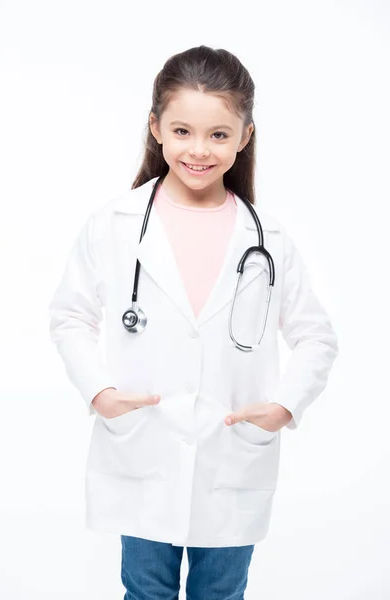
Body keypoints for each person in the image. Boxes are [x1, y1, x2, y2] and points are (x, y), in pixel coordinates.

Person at [48, 45, 339, 599]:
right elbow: (70, 315)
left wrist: (283, 408)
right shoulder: (114, 223)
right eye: (182, 131)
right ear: (156, 128)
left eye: (219, 135)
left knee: (221, 595)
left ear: (245, 136)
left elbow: (316, 336)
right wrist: (100, 394)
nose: (199, 150)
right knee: (147, 592)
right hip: (144, 448)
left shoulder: (268, 239)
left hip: (232, 455)